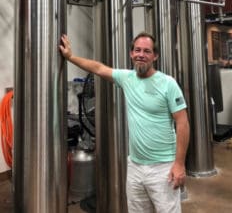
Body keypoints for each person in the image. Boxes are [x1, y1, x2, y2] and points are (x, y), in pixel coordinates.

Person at [59, 32, 190, 213]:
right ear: (131, 53)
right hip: (135, 166)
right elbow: (98, 68)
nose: (141, 55)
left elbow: (182, 123)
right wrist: (71, 57)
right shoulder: (127, 78)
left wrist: (179, 164)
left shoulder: (168, 84)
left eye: (147, 51)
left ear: (155, 56)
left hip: (163, 168)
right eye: (137, 50)